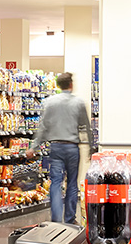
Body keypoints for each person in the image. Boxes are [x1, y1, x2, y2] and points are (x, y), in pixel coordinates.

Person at [25, 72, 92, 224]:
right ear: (71, 85)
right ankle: (69, 219)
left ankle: (56, 218)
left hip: (55, 148)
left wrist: (33, 147)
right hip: (72, 148)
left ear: (58, 85)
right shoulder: (79, 103)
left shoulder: (49, 102)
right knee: (72, 183)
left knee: (55, 182)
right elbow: (86, 128)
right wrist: (91, 148)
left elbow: (43, 128)